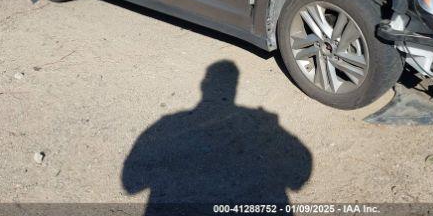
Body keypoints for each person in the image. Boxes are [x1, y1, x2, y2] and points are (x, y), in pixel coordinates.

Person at [122, 60, 312, 215]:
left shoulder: (167, 124)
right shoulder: (264, 122)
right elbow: (300, 175)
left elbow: (130, 184)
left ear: (203, 85)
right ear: (235, 87)